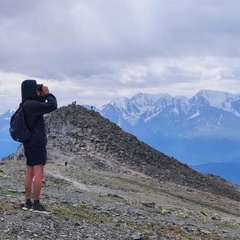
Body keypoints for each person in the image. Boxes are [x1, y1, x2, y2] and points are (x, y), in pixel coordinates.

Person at [21, 79, 57, 213]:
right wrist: (48, 94)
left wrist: (40, 97)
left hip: (29, 142)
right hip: (37, 142)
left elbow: (39, 108)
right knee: (39, 174)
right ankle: (36, 204)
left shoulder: (25, 104)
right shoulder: (32, 105)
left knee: (29, 173)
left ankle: (27, 202)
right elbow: (52, 106)